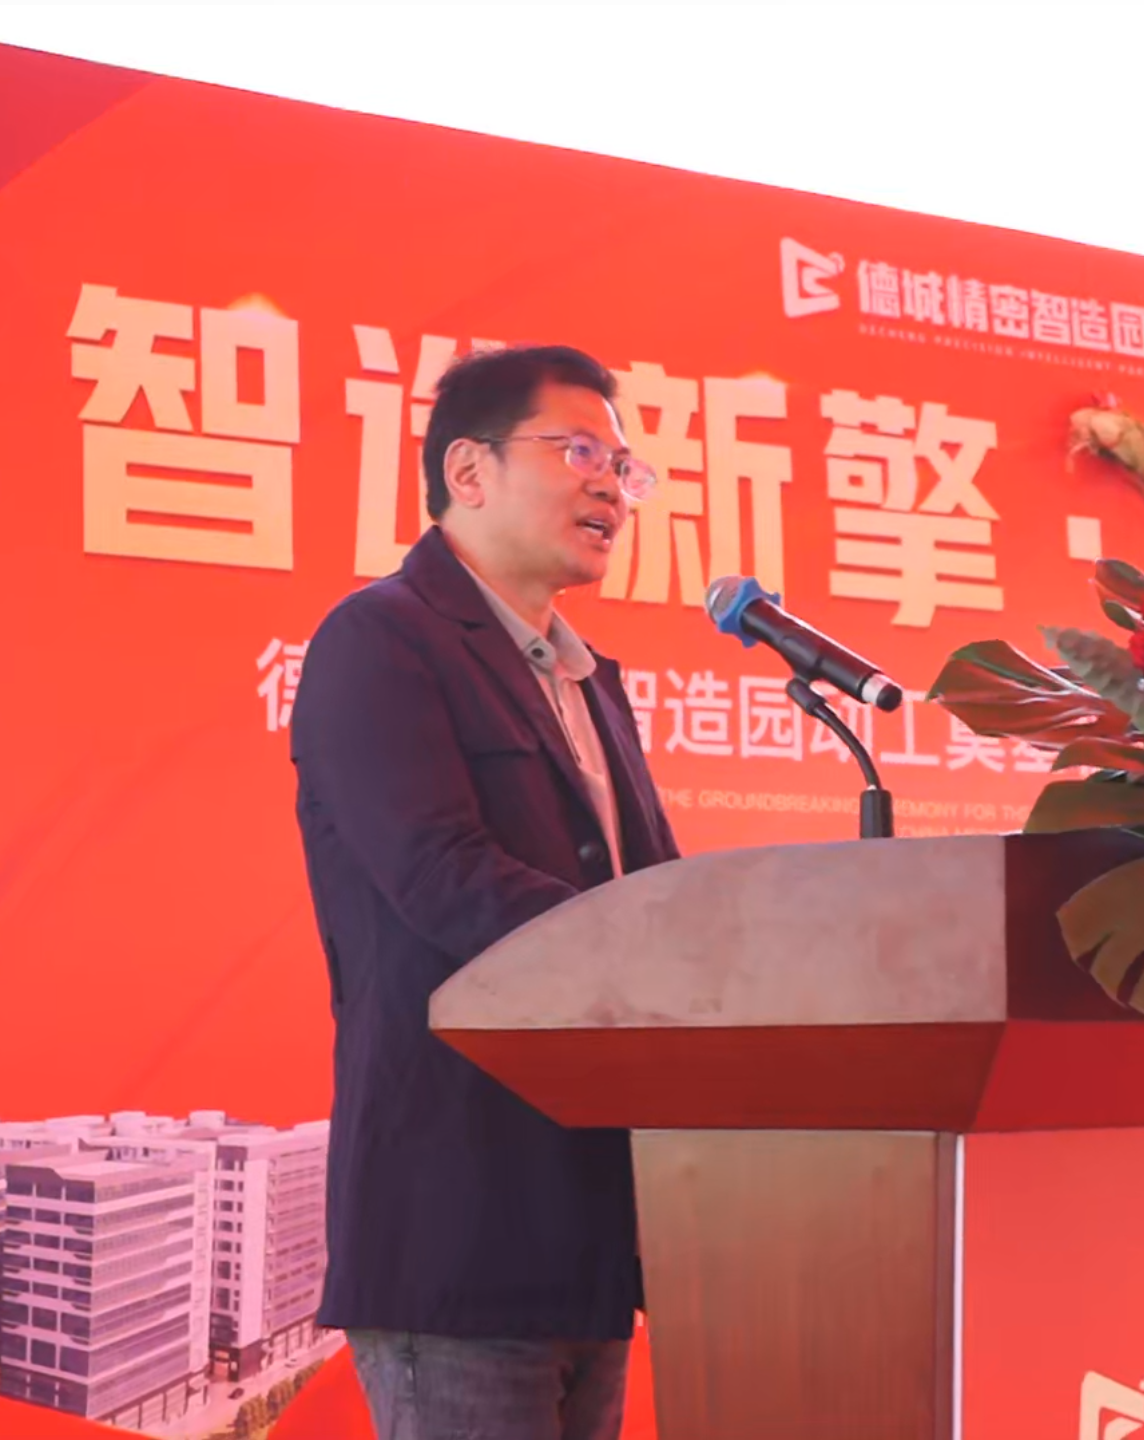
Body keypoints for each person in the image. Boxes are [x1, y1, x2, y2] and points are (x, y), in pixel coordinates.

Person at [289, 346, 680, 1439]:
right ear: (467, 471)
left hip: (590, 1224)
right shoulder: (380, 641)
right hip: (458, 1215)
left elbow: (652, 894)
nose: (612, 489)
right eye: (580, 453)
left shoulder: (591, 683)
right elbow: (442, 876)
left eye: (623, 467)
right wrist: (655, 955)